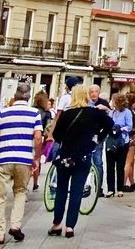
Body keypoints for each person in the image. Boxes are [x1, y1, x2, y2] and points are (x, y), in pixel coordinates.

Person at [48, 82, 112, 237]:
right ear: (86, 96)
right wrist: (96, 140)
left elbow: (56, 136)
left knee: (62, 190)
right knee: (76, 191)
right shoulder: (93, 113)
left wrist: (67, 138)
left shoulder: (67, 115)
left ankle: (57, 224)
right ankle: (70, 227)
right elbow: (110, 124)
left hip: (65, 157)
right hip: (83, 157)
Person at [0, 80, 43, 245]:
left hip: (4, 158)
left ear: (15, 96)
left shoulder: (3, 113)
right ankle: (16, 225)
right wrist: (36, 158)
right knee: (20, 192)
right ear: (28, 97)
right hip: (24, 159)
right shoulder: (34, 113)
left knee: (0, 197)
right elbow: (38, 138)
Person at [105, 93, 133, 197]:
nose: (112, 102)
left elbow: (130, 126)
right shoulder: (112, 113)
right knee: (110, 165)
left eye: (113, 100)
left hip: (122, 141)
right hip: (111, 140)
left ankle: (120, 188)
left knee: (120, 165)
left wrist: (121, 129)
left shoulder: (127, 112)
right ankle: (110, 189)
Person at [86, 85, 110, 196]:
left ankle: (98, 187)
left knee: (98, 162)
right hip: (87, 136)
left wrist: (101, 135)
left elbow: (110, 120)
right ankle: (86, 185)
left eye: (96, 91)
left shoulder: (103, 103)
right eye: (91, 91)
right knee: (86, 161)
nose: (93, 93)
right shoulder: (86, 103)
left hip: (99, 136)